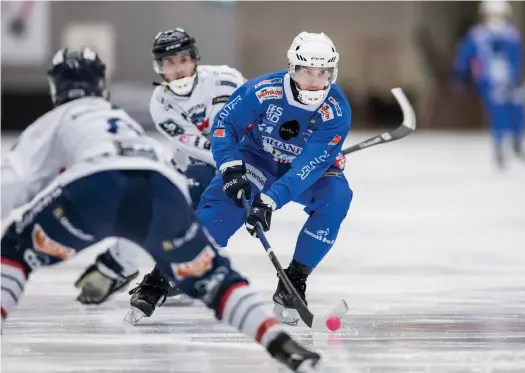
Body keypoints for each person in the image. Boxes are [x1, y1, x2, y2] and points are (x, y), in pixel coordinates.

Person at [0, 47, 321, 373]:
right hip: (165, 188)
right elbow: (139, 204)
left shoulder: (55, 120)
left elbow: (14, 183)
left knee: (14, 249)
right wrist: (115, 264)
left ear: (56, 87)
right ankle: (282, 345)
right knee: (216, 279)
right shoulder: (123, 117)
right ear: (101, 84)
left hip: (98, 184)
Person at [196, 31, 353, 325]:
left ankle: (294, 280)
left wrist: (269, 200)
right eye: (307, 72)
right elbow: (225, 124)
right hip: (259, 159)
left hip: (303, 171)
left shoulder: (336, 108)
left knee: (336, 198)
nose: (315, 81)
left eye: (324, 73)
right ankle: (167, 272)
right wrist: (230, 166)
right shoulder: (262, 90)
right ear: (293, 69)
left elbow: (309, 166)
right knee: (221, 210)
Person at [97, 28, 246, 322]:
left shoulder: (226, 79)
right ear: (159, 67)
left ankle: (167, 275)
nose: (176, 69)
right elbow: (197, 146)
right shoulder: (161, 102)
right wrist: (231, 164)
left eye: (182, 60)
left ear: (195, 59)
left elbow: (254, 120)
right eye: (168, 63)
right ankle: (137, 266)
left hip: (236, 166)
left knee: (213, 215)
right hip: (195, 169)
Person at [454, 0, 525, 169]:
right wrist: (462, 74)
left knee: (518, 111)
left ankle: (517, 143)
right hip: (490, 81)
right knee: (499, 115)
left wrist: (517, 78)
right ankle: (499, 149)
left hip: (511, 80)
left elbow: (518, 58)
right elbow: (466, 55)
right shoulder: (477, 35)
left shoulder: (511, 35)